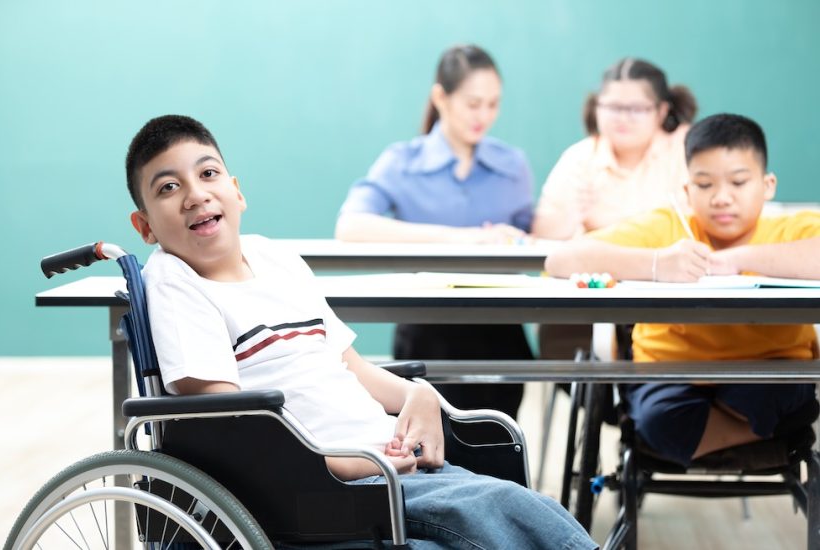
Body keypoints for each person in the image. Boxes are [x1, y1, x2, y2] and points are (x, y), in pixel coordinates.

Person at [125, 114, 597, 549]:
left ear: (237, 190)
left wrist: (419, 394)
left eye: (208, 174)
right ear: (145, 226)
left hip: (385, 466)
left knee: (518, 506)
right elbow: (224, 422)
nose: (195, 194)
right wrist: (341, 464)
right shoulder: (174, 279)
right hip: (319, 488)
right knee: (502, 509)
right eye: (168, 187)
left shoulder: (275, 258)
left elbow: (350, 366)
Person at [545, 113, 820, 467]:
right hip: (670, 371)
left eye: (738, 182)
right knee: (660, 418)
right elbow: (560, 259)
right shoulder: (668, 227)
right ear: (688, 191)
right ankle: (775, 429)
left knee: (779, 395)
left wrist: (738, 259)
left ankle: (734, 431)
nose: (722, 198)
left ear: (767, 185)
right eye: (705, 185)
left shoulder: (792, 230)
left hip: (766, 369)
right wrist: (657, 263)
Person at [335, 45, 533, 429]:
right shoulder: (402, 161)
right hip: (427, 328)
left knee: (500, 439)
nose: (485, 116)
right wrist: (463, 239)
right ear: (440, 97)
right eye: (473, 103)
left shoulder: (512, 165)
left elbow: (536, 235)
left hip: (501, 329)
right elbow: (351, 225)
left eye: (493, 104)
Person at [533, 57, 697, 241]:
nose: (622, 118)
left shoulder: (686, 148)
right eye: (612, 107)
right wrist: (570, 217)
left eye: (636, 109)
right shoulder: (579, 158)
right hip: (597, 266)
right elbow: (542, 234)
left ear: (661, 111)